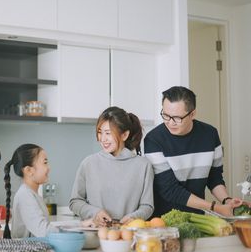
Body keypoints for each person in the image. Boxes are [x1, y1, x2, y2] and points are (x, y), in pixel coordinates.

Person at [144, 86, 243, 217]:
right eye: (166, 115)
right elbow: (170, 190)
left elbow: (214, 178)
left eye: (177, 118)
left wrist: (227, 200)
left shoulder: (210, 134)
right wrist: (215, 207)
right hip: (163, 220)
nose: (170, 123)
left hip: (197, 217)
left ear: (192, 114)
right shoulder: (153, 140)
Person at [69, 106, 154, 226]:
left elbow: (147, 206)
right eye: (100, 133)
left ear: (124, 135)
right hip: (94, 234)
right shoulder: (88, 163)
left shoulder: (143, 166)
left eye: (108, 133)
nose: (103, 139)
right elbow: (75, 202)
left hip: (128, 235)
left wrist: (134, 217)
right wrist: (95, 213)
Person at [3, 144, 60, 238]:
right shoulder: (25, 195)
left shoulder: (32, 194)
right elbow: (43, 231)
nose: (48, 168)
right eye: (45, 163)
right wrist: (74, 232)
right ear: (29, 170)